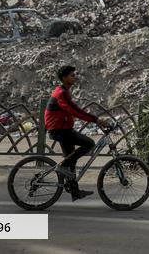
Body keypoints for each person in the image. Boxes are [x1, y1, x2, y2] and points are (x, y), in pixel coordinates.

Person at [45, 65, 108, 201]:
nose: (75, 77)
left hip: (62, 129)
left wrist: (95, 120)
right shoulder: (61, 93)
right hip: (59, 130)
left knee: (71, 160)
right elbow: (75, 110)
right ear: (64, 78)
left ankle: (74, 191)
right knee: (89, 143)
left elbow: (73, 110)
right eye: (72, 75)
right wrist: (96, 120)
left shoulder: (64, 91)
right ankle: (62, 166)